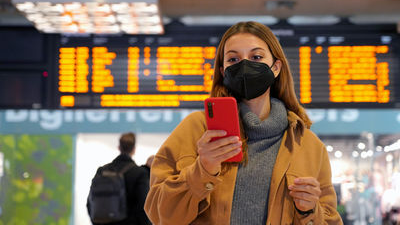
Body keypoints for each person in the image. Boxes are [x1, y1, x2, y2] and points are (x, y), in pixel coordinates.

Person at [144, 21, 343, 225]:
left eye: (256, 57)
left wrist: (309, 211)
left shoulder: (309, 146)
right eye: (233, 59)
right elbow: (159, 215)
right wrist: (202, 170)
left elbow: (331, 220)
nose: (245, 65)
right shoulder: (195, 129)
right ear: (223, 71)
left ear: (276, 67)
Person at [87, 132, 151, 225]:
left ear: (119, 147)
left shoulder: (101, 171)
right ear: (134, 150)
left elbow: (90, 203)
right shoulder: (140, 173)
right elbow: (144, 207)